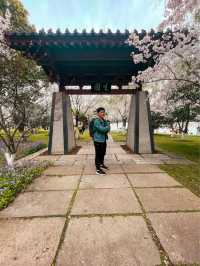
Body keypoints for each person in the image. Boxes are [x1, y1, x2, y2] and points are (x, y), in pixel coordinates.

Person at [92, 107, 110, 175]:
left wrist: (107, 127)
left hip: (103, 140)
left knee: (103, 153)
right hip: (97, 140)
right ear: (98, 113)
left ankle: (101, 164)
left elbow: (107, 130)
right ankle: (98, 169)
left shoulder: (103, 120)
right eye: (101, 112)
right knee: (98, 154)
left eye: (104, 112)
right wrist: (108, 126)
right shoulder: (96, 121)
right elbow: (102, 130)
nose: (103, 113)